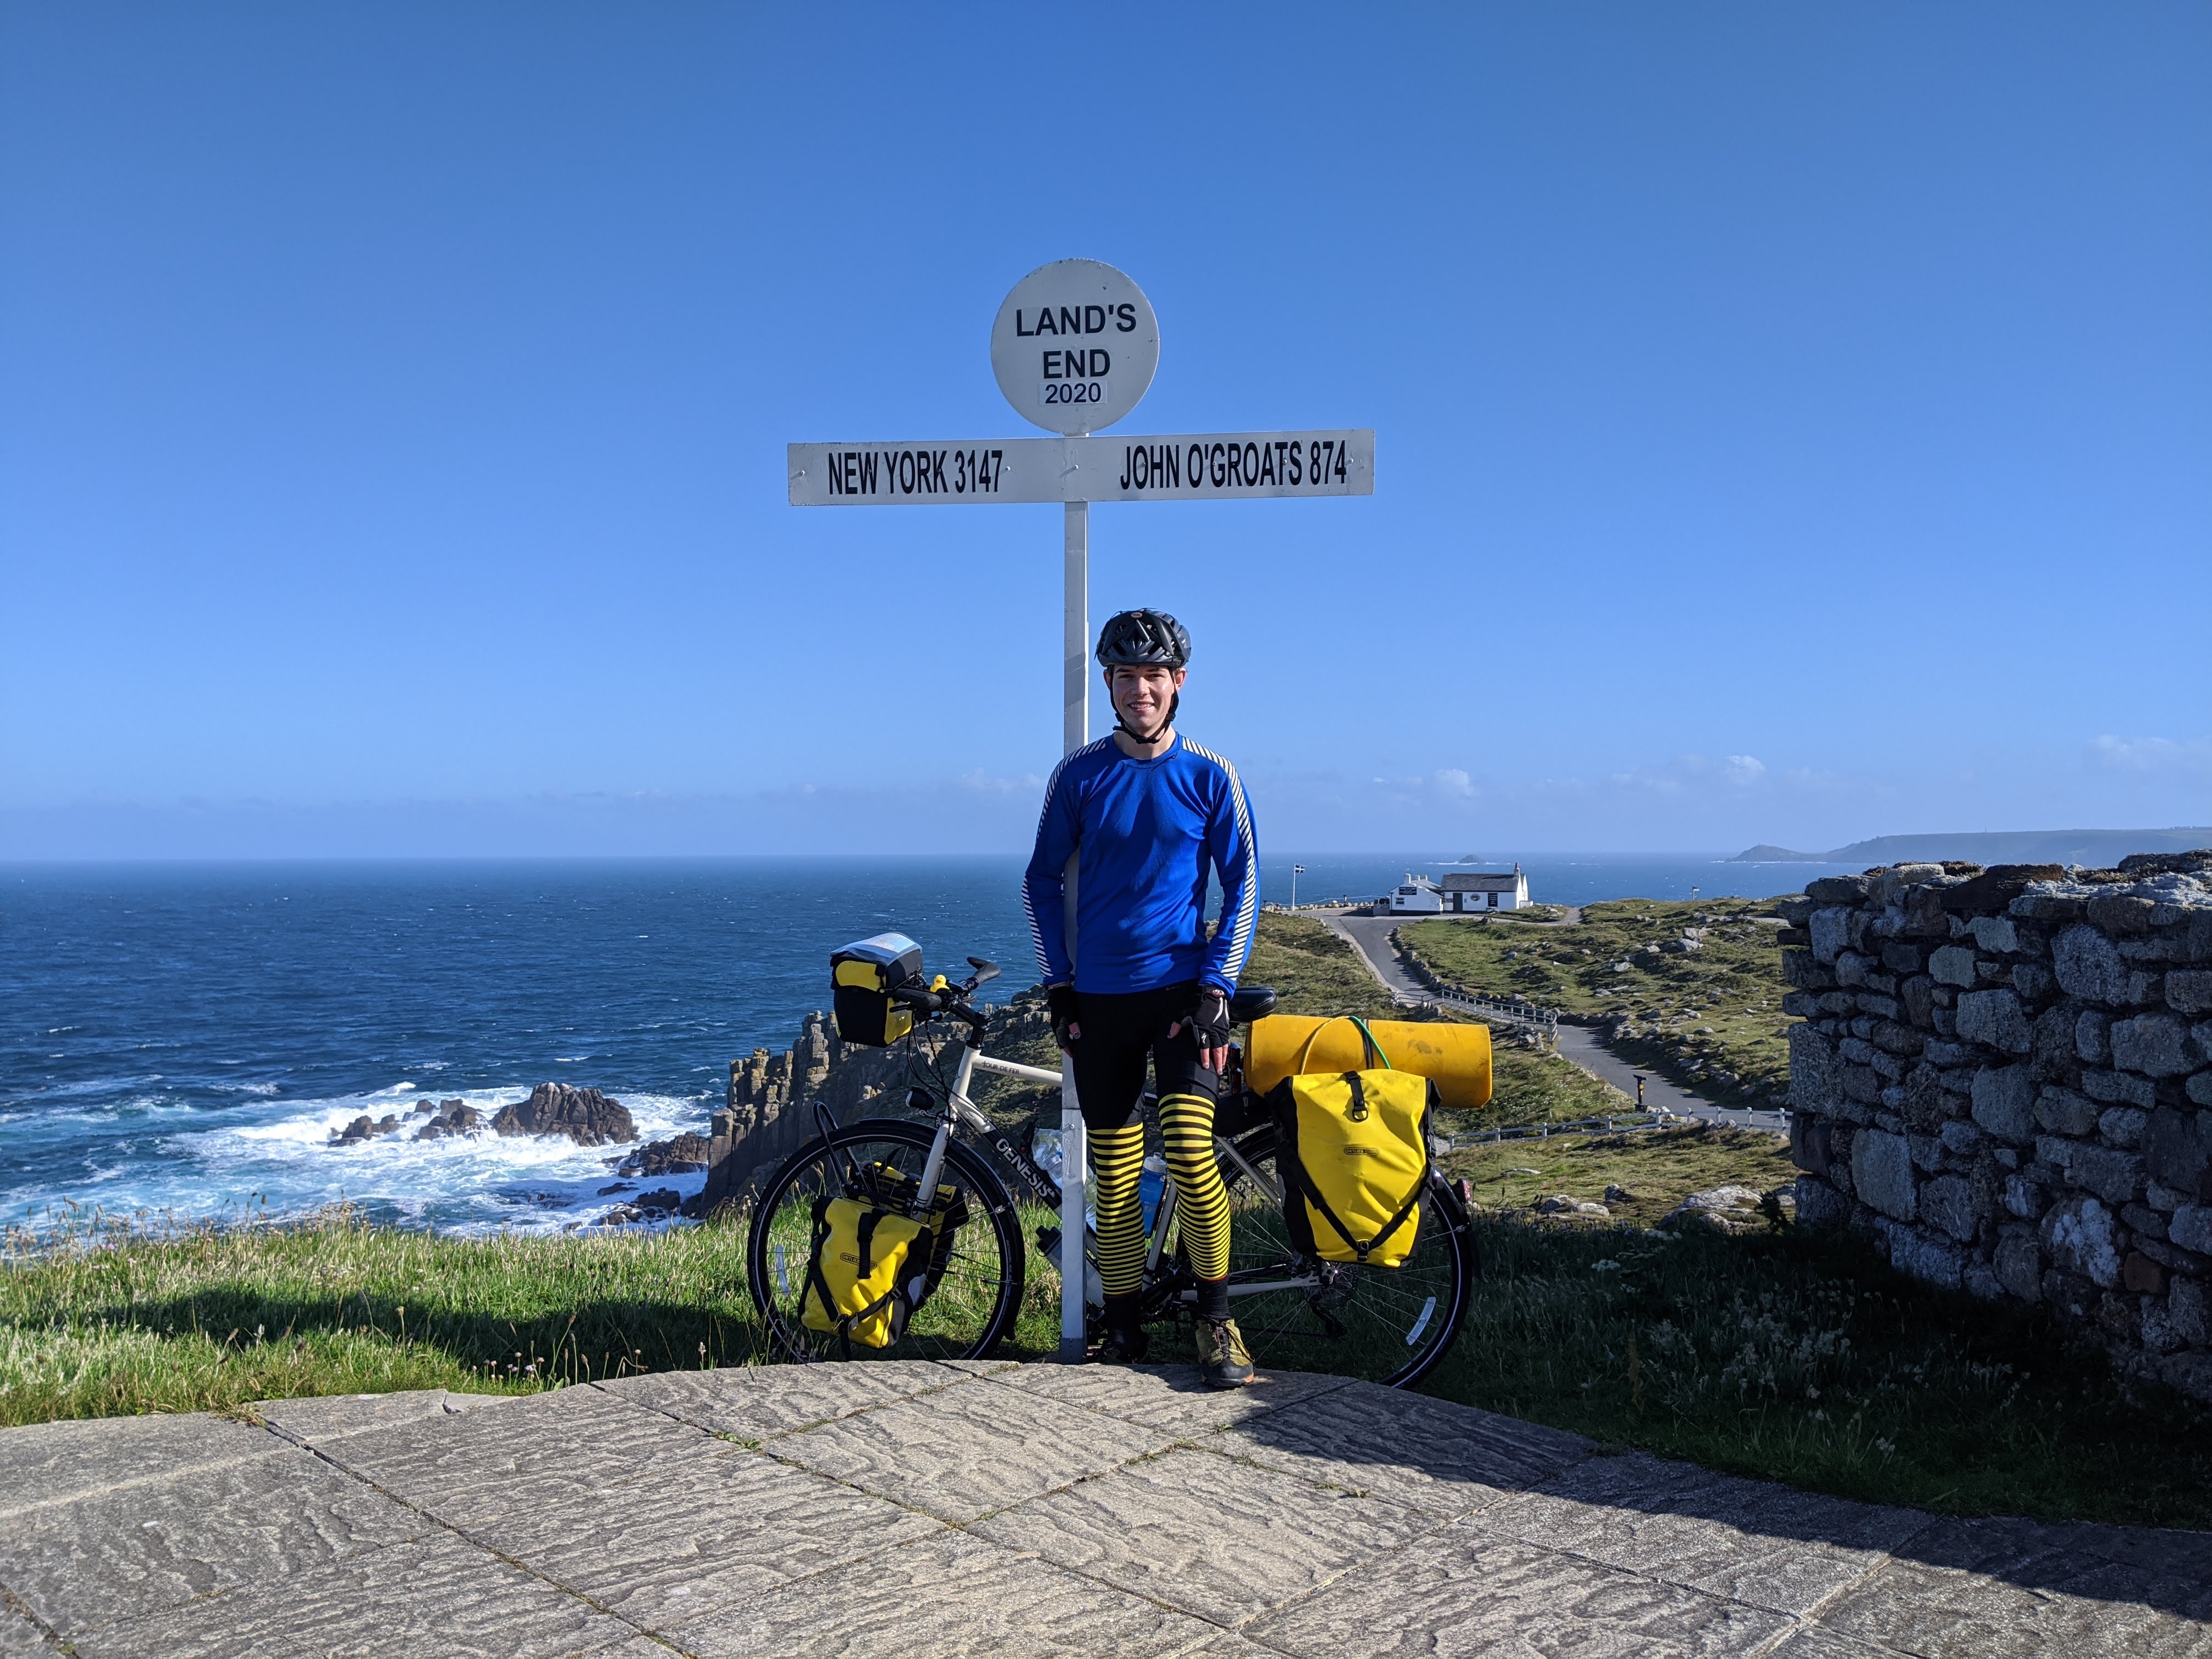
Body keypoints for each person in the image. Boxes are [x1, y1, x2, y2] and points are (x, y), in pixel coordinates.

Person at [1023, 608, 1260, 1387]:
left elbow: (1245, 882)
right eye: (1127, 677)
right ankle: (1123, 1331)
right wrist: (1060, 985)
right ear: (1111, 687)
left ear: (1178, 683)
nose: (1142, 690)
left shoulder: (1211, 775)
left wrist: (1216, 990)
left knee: (1193, 1157)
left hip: (1182, 1003)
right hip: (1101, 1005)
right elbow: (1040, 878)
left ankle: (1217, 1325)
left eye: (1155, 676)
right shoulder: (1080, 775)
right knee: (1115, 1180)